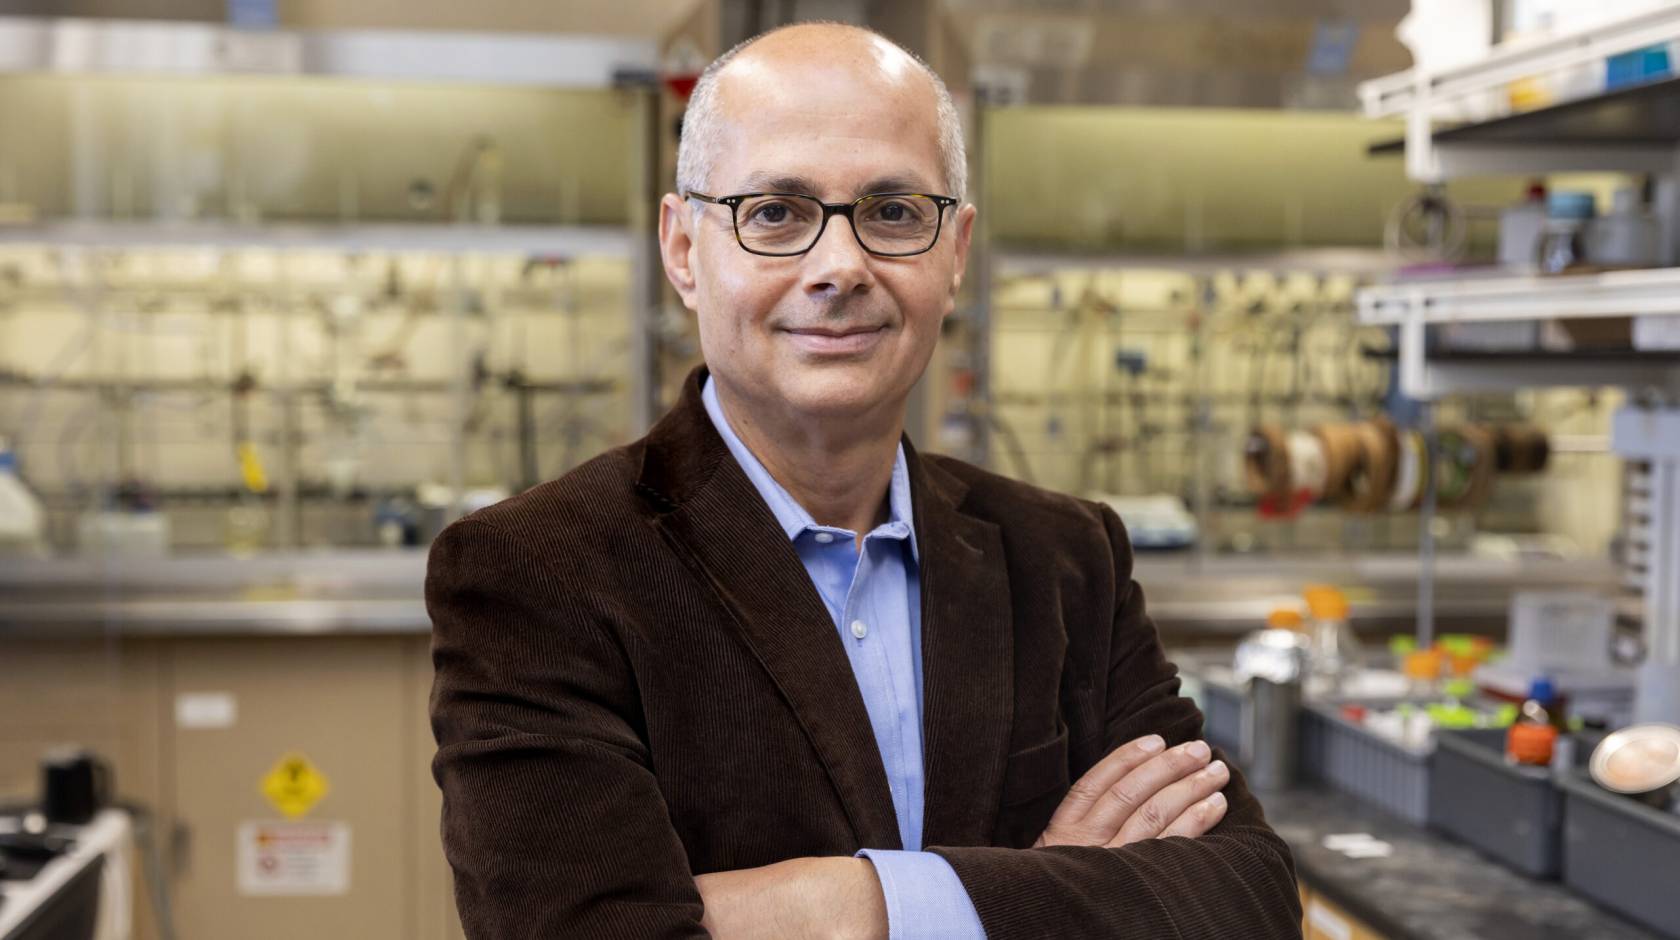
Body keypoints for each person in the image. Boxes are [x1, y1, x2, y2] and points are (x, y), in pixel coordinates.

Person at [428, 21, 1301, 939]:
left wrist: (851, 904)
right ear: (683, 249)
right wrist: (1051, 889)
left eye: (892, 213)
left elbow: (1245, 896)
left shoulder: (1066, 559)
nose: (839, 267)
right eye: (774, 212)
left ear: (955, 252)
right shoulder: (535, 575)